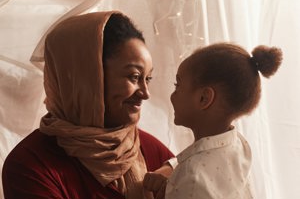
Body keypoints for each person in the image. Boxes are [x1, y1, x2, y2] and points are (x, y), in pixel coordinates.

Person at [2, 11, 174, 199]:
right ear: (86, 77)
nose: (145, 93)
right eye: (133, 77)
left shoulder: (155, 153)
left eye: (147, 79)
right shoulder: (31, 164)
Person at [143, 42, 283, 199]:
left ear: (204, 98)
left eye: (178, 85)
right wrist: (172, 171)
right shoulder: (238, 144)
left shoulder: (192, 178)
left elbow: (194, 178)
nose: (172, 95)